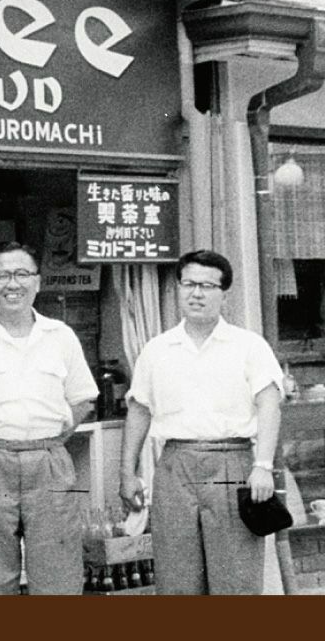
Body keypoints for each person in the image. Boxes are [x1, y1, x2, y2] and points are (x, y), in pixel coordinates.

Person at [0, 241, 98, 594]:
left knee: (58, 572)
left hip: (49, 461)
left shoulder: (61, 336)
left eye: (22, 274)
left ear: (37, 282)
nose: (13, 284)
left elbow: (83, 399)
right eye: (3, 275)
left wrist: (50, 442)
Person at [119, 249, 284, 595]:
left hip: (232, 464)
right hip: (175, 465)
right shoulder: (157, 349)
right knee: (176, 576)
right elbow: (139, 410)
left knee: (235, 577)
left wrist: (263, 466)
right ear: (177, 289)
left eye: (207, 286)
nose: (196, 293)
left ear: (225, 295)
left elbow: (269, 405)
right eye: (189, 284)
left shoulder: (248, 346)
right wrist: (127, 472)